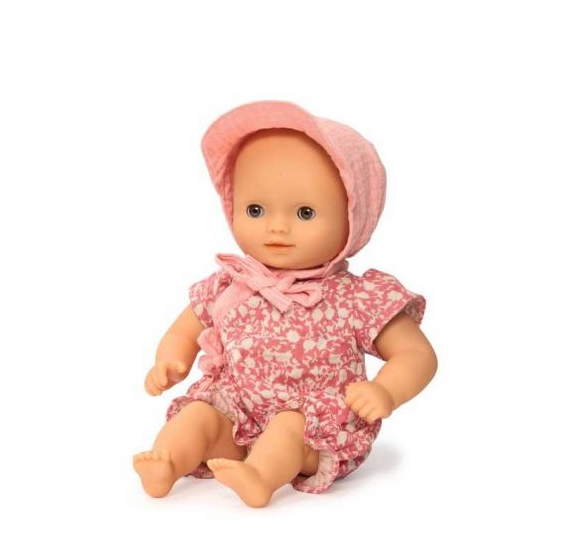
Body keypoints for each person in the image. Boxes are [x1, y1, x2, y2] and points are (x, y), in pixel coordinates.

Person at [133, 100, 437, 507]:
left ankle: (261, 476)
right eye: (256, 209)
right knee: (199, 417)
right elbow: (183, 331)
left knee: (288, 429)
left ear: (353, 218)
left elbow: (416, 354)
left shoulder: (355, 297)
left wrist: (386, 390)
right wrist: (170, 359)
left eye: (305, 212)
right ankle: (167, 462)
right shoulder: (231, 283)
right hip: (238, 409)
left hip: (315, 427)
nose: (277, 226)